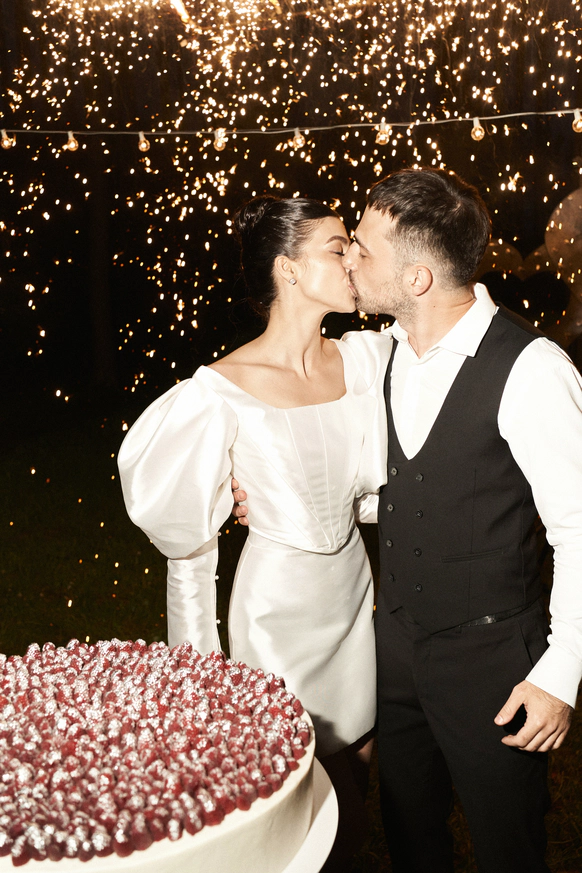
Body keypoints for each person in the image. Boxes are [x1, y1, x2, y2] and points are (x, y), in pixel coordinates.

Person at [233, 169, 582, 872]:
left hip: (492, 662)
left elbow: (576, 527)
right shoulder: (383, 356)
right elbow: (396, 489)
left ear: (417, 278)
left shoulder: (532, 369)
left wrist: (560, 674)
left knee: (507, 845)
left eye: (362, 248)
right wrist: (280, 495)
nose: (348, 259)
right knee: (410, 835)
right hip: (392, 652)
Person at [117, 195, 391, 869]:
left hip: (355, 596)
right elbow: (189, 550)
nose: (353, 260)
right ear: (288, 269)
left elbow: (374, 488)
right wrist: (200, 679)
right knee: (288, 795)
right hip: (277, 612)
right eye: (338, 247)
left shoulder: (364, 361)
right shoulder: (218, 392)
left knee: (358, 784)